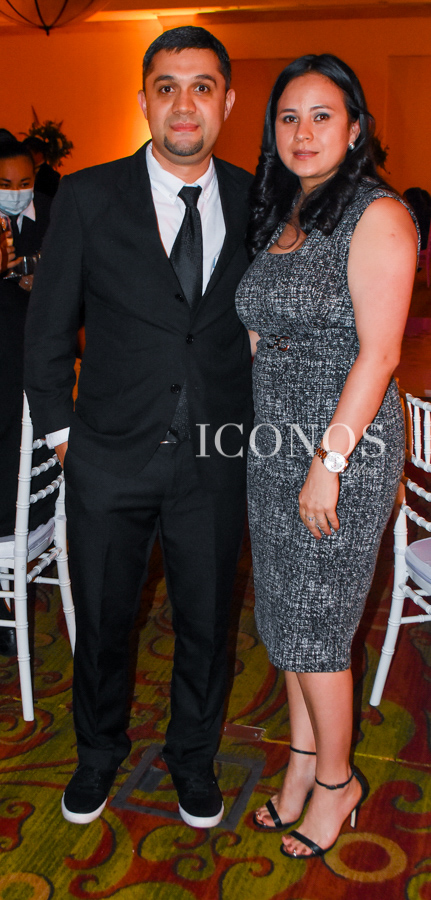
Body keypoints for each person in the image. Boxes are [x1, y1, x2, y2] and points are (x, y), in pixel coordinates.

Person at [25, 26, 253, 829]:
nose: (183, 104)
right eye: (166, 87)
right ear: (144, 101)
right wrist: (64, 441)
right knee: (102, 620)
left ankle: (192, 757)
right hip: (107, 457)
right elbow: (47, 334)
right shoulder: (88, 197)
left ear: (226, 101)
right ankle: (96, 754)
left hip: (215, 456)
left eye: (201, 87)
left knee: (207, 622)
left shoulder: (256, 200)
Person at [235, 54, 418, 859]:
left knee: (316, 629)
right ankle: (302, 764)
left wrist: (328, 463)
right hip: (274, 443)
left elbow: (378, 356)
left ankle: (338, 783)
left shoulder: (376, 214)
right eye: (287, 117)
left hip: (340, 447)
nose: (302, 132)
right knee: (284, 623)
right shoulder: (284, 212)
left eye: (321, 116)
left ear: (354, 128)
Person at [0, 140, 54, 656]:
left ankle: (15, 594)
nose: (16, 194)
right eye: (5, 185)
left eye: (24, 184)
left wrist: (41, 281)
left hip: (29, 361)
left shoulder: (51, 218)